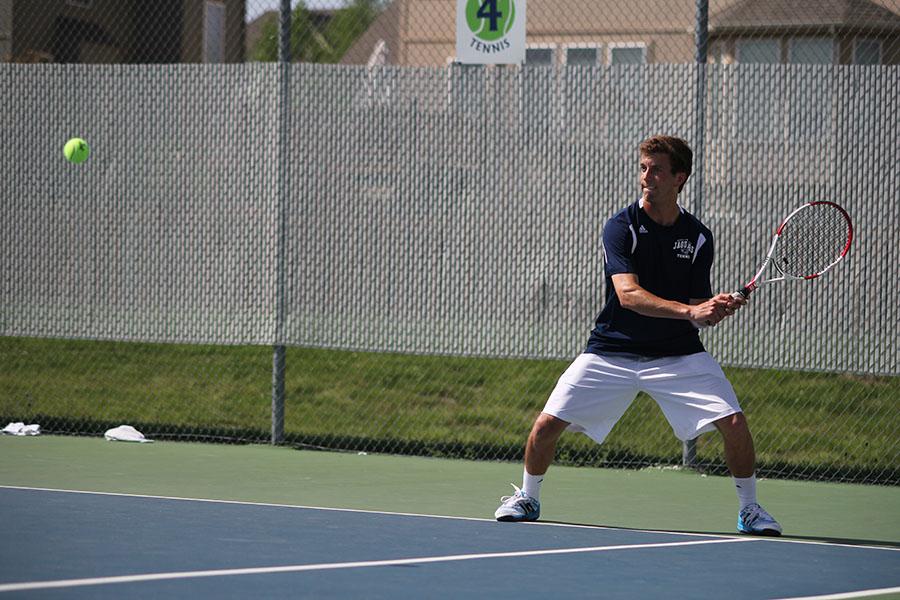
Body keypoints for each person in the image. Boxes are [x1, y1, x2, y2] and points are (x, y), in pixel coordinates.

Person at [494, 135, 781, 536]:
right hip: (612, 350)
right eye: (643, 168)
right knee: (546, 425)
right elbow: (627, 295)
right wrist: (689, 310)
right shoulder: (621, 226)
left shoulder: (698, 237)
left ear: (680, 177)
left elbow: (696, 312)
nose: (647, 177)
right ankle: (527, 497)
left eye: (657, 169)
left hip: (677, 354)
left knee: (734, 422)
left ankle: (750, 509)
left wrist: (712, 309)